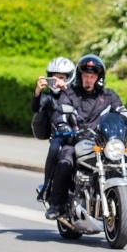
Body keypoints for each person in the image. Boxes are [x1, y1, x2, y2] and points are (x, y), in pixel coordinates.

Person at [44, 54, 127, 220]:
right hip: (75, 139)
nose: (88, 79)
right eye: (85, 76)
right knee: (66, 160)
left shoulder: (108, 96)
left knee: (125, 162)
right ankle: (57, 204)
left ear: (99, 78)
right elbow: (61, 111)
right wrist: (62, 125)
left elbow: (122, 112)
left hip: (101, 142)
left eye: (92, 76)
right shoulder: (70, 94)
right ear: (80, 76)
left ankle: (119, 203)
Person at [30, 56, 76, 201]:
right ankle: (47, 187)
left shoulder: (76, 94)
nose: (56, 81)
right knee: (55, 148)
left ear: (70, 77)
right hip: (59, 136)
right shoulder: (48, 97)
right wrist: (37, 91)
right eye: (53, 77)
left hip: (81, 134)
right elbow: (35, 108)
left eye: (61, 77)